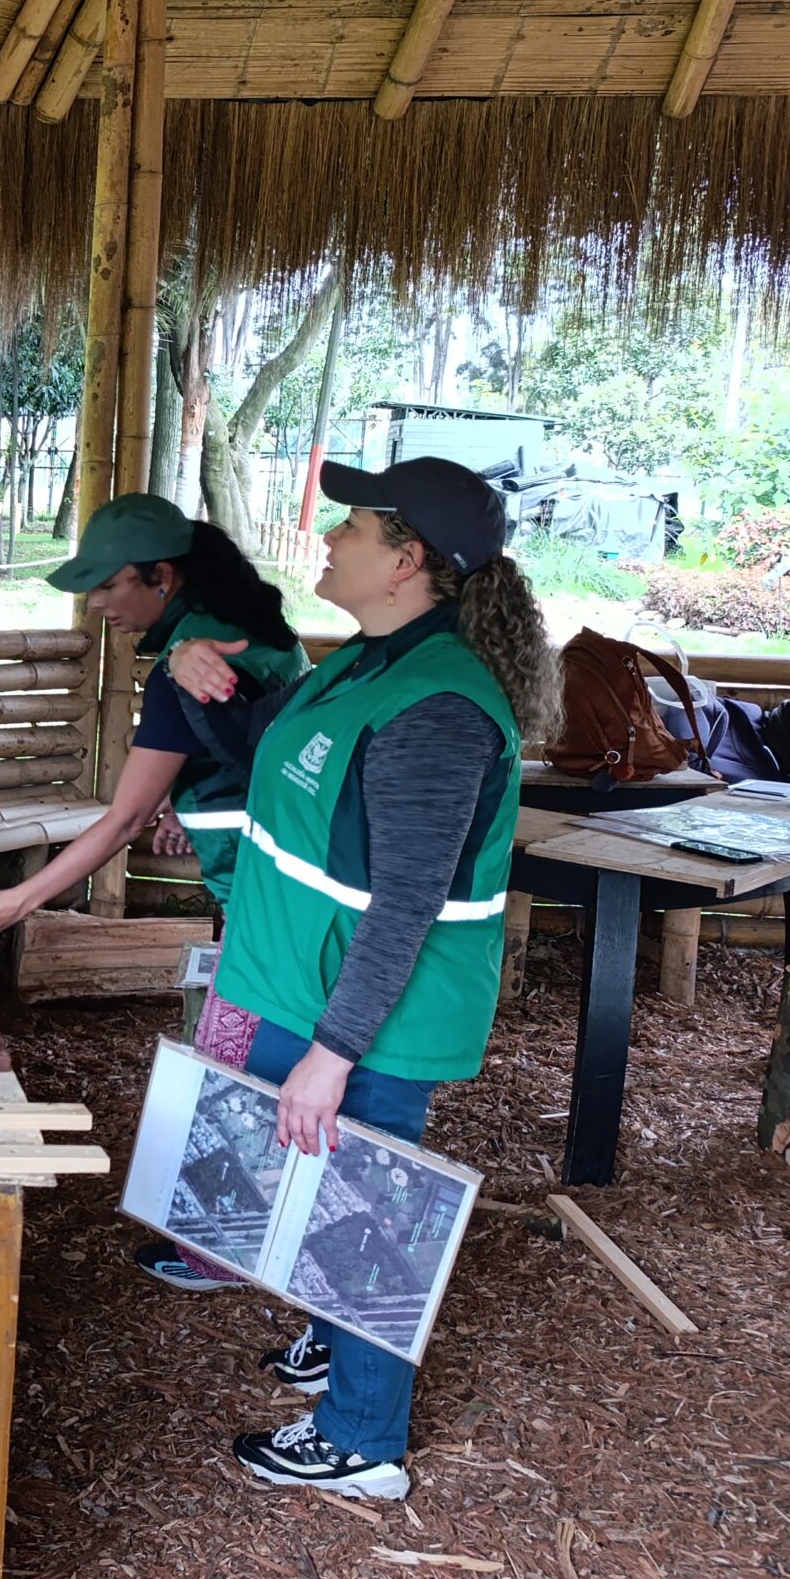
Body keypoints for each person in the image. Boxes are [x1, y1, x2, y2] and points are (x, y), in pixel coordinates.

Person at [168, 458, 555, 1500]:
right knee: (323, 1189)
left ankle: (362, 1436)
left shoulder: (438, 708)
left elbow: (407, 904)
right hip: (308, 983)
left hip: (369, 1015)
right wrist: (203, 671)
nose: (328, 540)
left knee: (370, 1213)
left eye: (351, 526)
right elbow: (283, 748)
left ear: (408, 559)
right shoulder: (372, 660)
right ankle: (334, 1341)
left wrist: (333, 1055)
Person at [0, 493, 307, 1291]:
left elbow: (120, 822)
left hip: (266, 897)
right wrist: (199, 799)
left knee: (233, 1059)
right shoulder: (250, 630)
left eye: (109, 585)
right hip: (284, 885)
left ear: (161, 575)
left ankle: (218, 1250)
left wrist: (19, 903)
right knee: (251, 1052)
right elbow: (266, 747)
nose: (99, 603)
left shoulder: (195, 658)